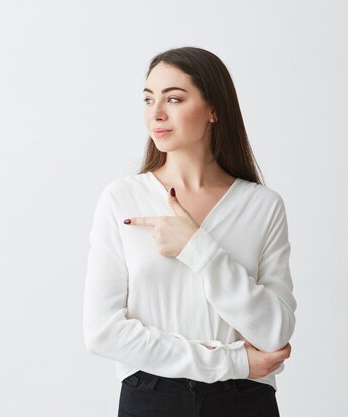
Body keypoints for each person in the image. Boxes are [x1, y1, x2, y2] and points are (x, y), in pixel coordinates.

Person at [82, 46, 296, 417]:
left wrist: (197, 248)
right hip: (152, 397)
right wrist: (233, 362)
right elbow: (102, 332)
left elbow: (274, 332)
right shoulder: (122, 198)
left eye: (174, 99)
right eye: (148, 100)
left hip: (244, 403)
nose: (156, 113)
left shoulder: (263, 206)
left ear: (214, 109)